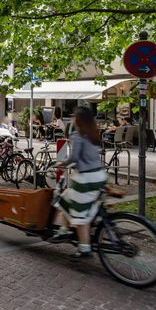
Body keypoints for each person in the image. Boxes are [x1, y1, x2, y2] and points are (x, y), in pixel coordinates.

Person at [49, 107, 108, 261]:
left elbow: (74, 157)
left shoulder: (77, 135)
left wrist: (62, 163)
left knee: (81, 216)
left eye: (74, 117)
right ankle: (63, 230)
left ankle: (84, 249)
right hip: (99, 176)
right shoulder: (94, 134)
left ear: (78, 120)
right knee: (66, 197)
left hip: (85, 179)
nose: (72, 120)